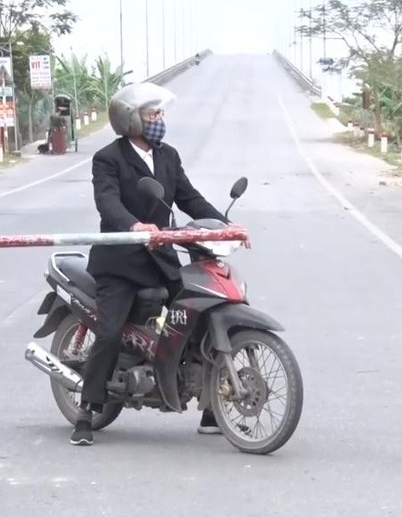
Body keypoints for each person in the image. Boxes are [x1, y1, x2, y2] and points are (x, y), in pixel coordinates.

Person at [74, 82, 237, 446]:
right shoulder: (108, 158)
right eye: (153, 115)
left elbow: (189, 198)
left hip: (160, 258)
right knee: (111, 331)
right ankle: (87, 409)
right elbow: (108, 203)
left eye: (161, 114)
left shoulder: (168, 156)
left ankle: (211, 405)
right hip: (120, 261)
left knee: (201, 315)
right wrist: (135, 226)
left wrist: (226, 228)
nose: (160, 120)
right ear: (131, 120)